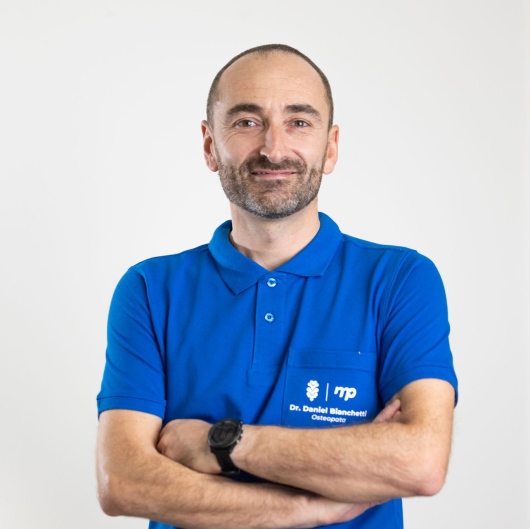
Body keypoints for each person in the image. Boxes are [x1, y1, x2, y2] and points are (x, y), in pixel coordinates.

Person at [96, 44, 458, 529]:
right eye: (247, 122)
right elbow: (124, 482)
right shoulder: (149, 290)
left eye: (299, 122)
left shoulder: (399, 280)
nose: (273, 148)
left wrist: (222, 443)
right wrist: (306, 509)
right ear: (210, 145)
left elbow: (420, 461)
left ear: (330, 147)